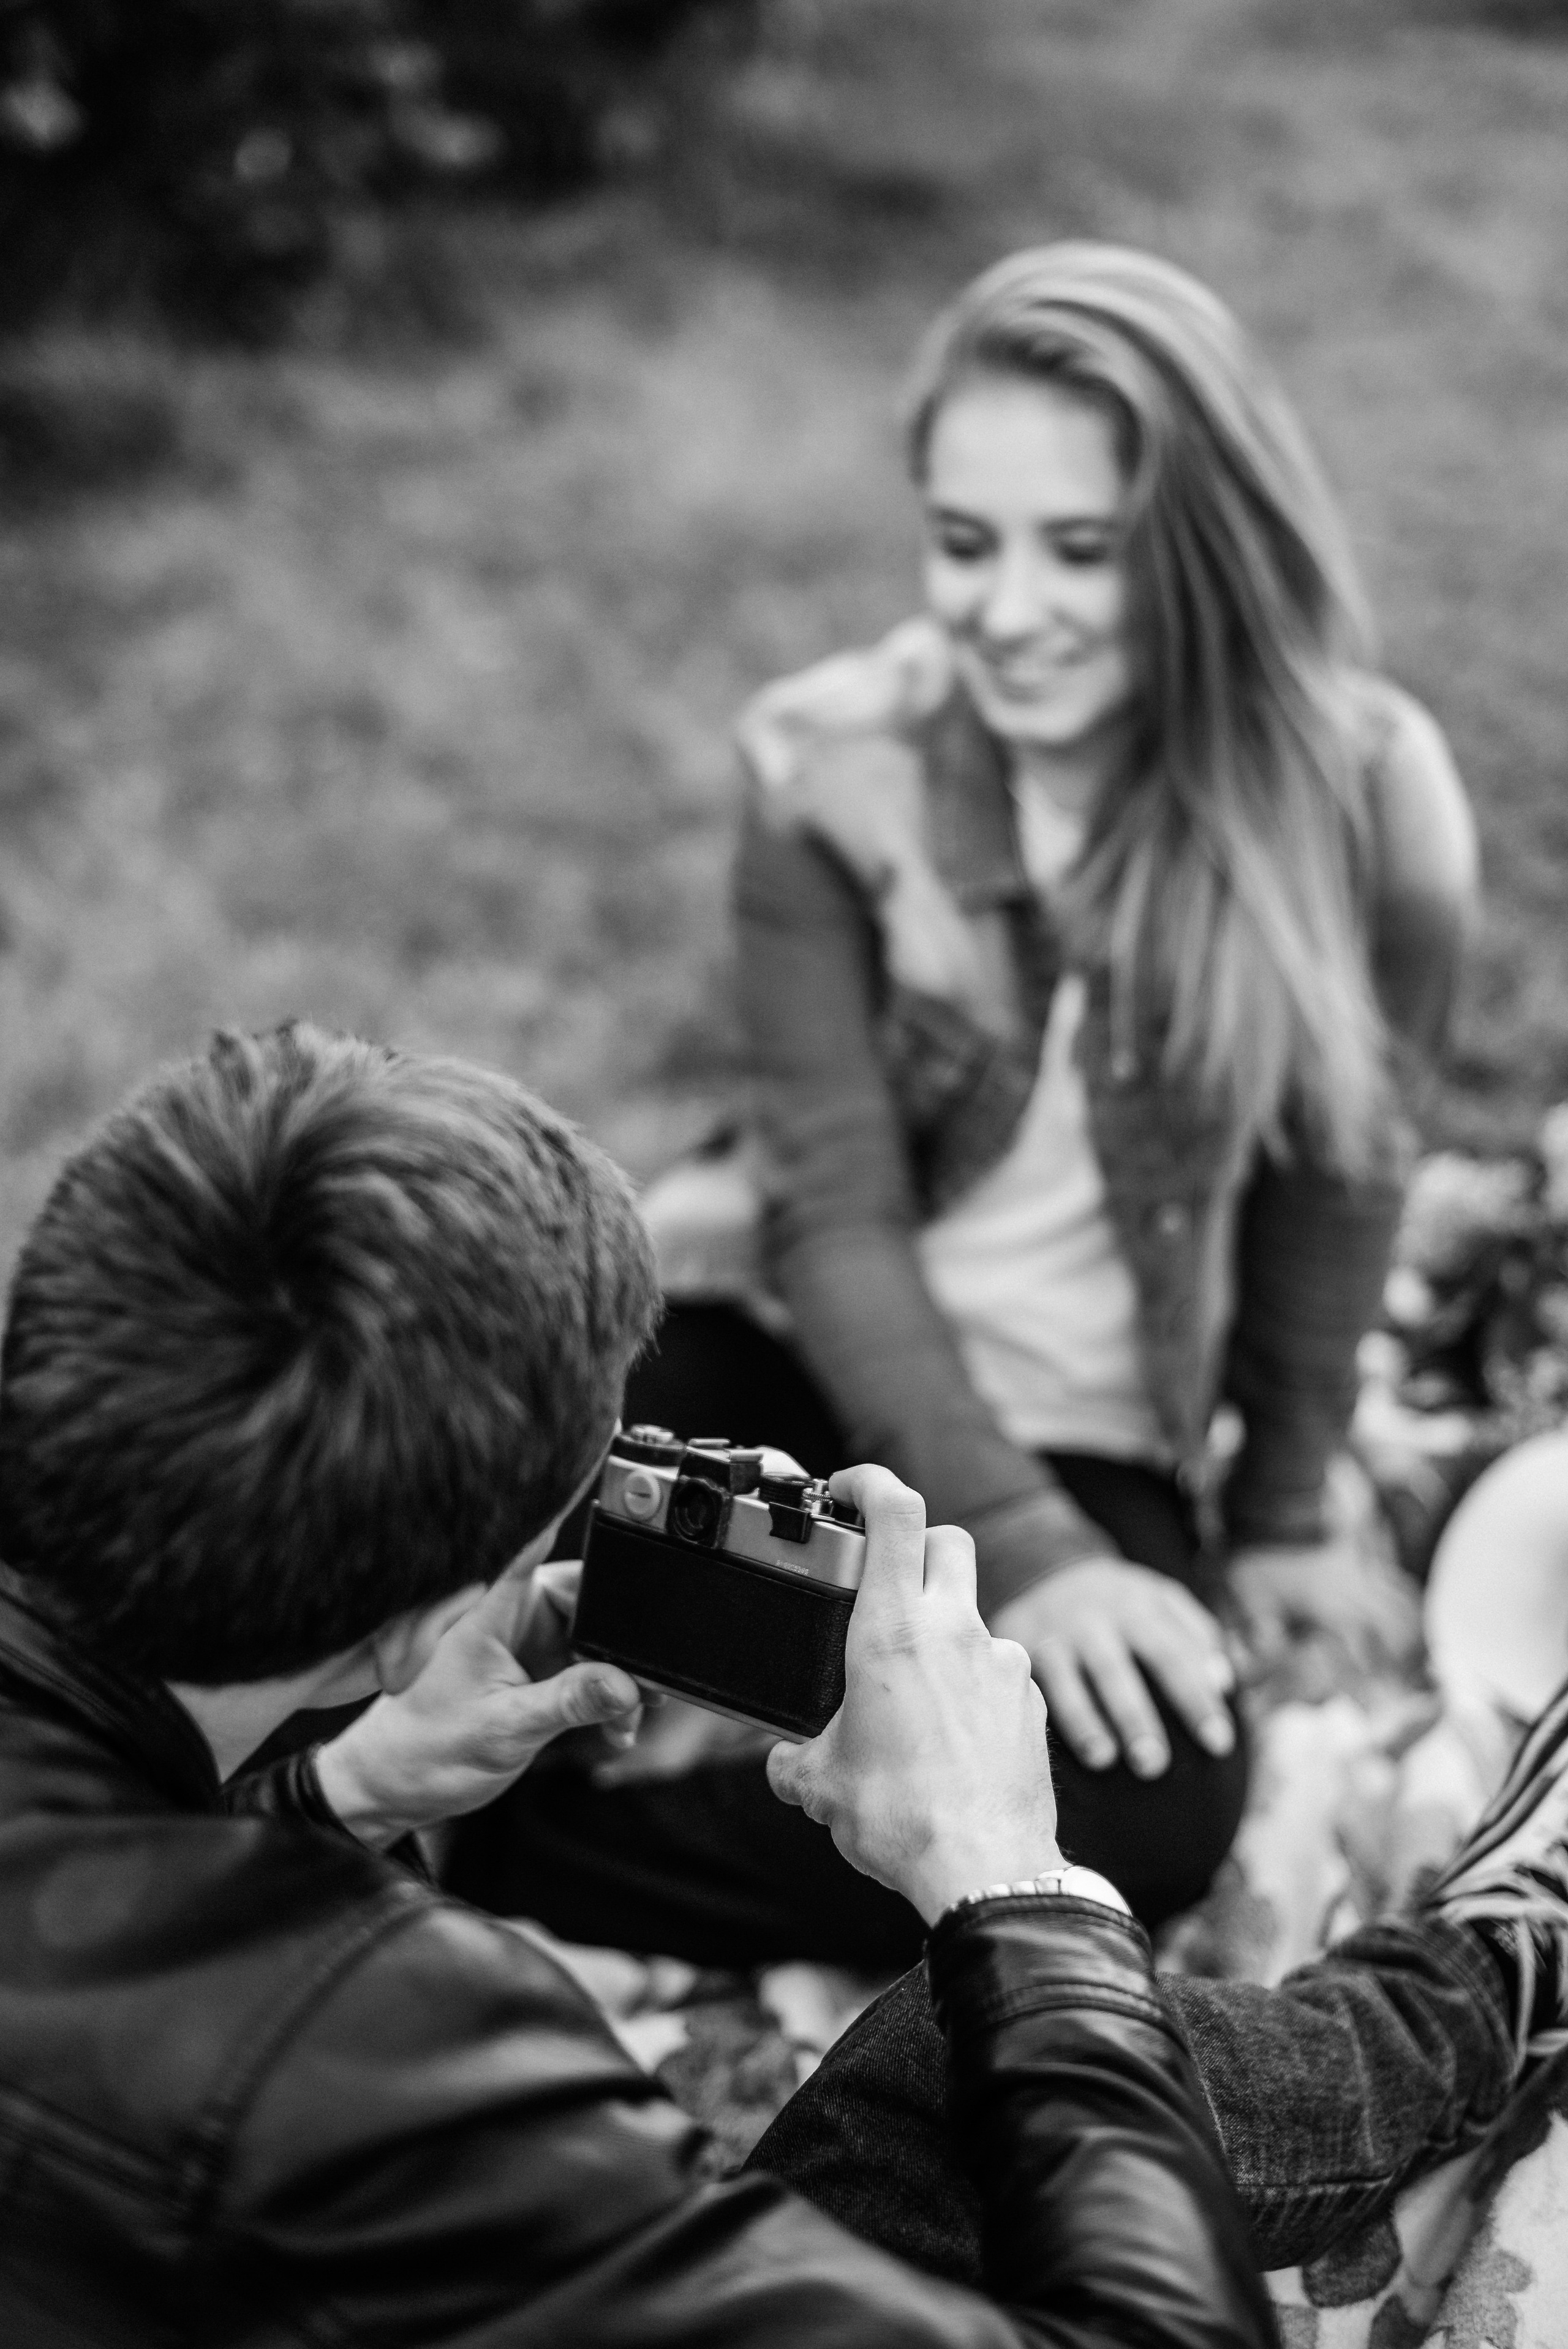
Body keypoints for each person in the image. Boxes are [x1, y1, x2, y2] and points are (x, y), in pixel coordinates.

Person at [0, 1024, 1563, 2349]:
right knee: (967, 2042)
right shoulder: (386, 2055)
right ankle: (1489, 1976)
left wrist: (331, 1791)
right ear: (420, 1623)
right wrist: (1009, 1884)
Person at [457, 238, 1480, 1954]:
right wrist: (1023, 1544)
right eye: (962, 543)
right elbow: (833, 1214)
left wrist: (1285, 1504)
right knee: (449, 1448)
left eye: (1080, 550)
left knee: (1162, 1784)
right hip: (811, 1333)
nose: (1004, 609)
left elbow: (1343, 1172)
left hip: (1085, 1420)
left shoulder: (1370, 805)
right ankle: (388, 1776)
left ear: (1209, 548)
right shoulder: (831, 775)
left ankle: (515, 1858)